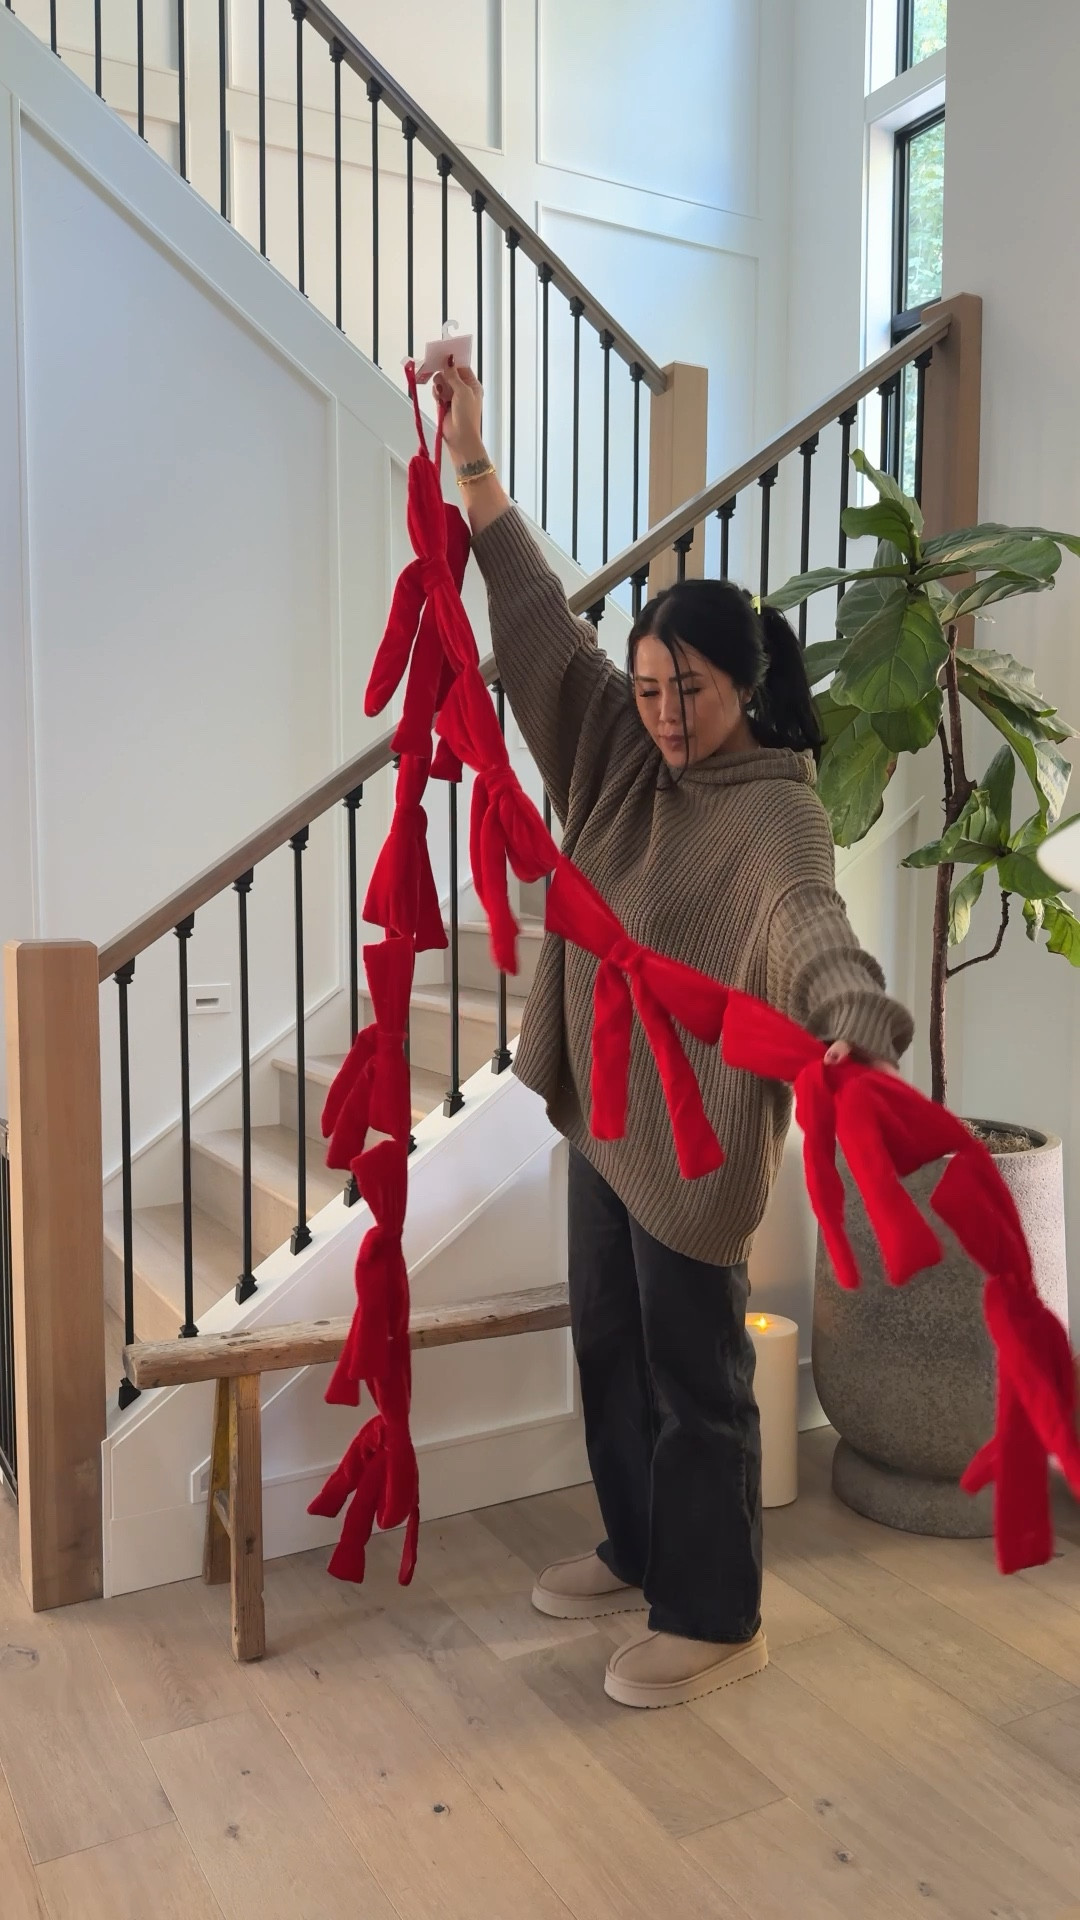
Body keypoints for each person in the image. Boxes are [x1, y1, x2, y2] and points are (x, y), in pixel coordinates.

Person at [433, 363, 913, 1710]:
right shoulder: (621, 750)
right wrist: (476, 463)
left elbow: (810, 928)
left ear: (745, 685)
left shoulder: (779, 815)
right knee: (606, 1344)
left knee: (697, 1376)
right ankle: (641, 1548)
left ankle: (717, 1613)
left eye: (684, 690)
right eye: (646, 684)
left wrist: (855, 1022)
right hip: (602, 1107)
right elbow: (535, 629)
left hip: (697, 1147)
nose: (659, 713)